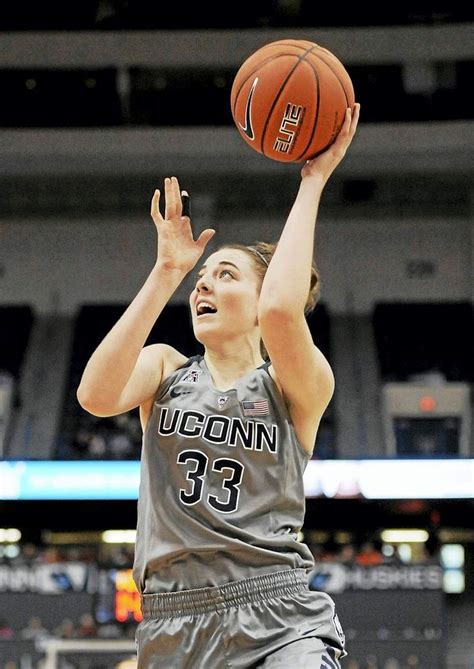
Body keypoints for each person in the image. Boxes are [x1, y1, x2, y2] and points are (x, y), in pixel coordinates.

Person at [77, 104, 360, 668]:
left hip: (276, 613)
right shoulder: (164, 369)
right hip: (170, 622)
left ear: (261, 300)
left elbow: (283, 308)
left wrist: (313, 180)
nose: (203, 286)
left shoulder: (294, 383)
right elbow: (95, 396)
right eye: (200, 280)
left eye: (225, 275)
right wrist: (165, 273)